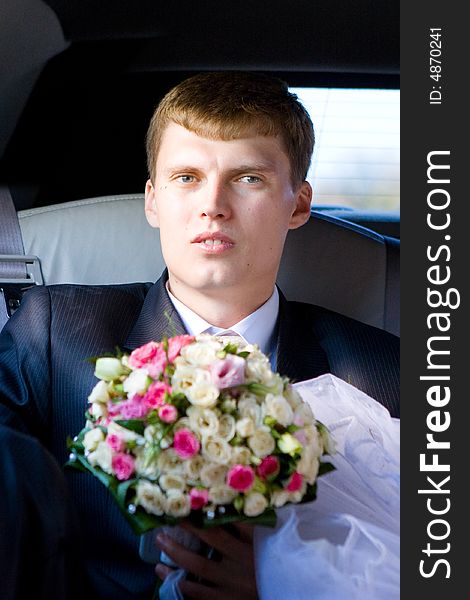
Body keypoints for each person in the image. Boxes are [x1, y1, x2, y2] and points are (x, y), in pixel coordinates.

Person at [0, 71, 399, 599]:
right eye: (186, 177)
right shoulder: (52, 335)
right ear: (152, 199)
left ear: (298, 205)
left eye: (248, 178)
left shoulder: (384, 372)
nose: (213, 204)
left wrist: (290, 582)